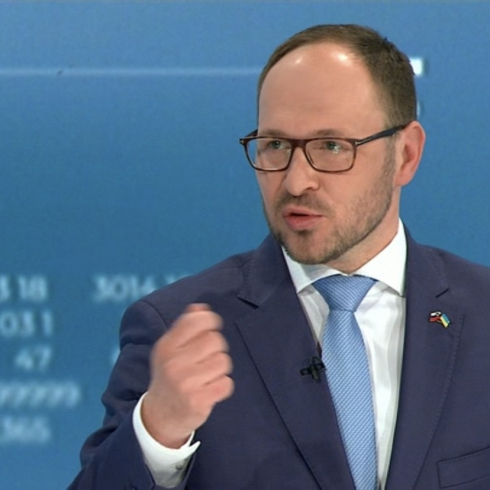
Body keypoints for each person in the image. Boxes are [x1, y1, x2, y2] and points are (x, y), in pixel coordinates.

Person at [70, 24, 490, 490]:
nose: (295, 181)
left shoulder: (483, 314)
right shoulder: (173, 327)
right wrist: (158, 433)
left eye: (331, 146)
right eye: (275, 146)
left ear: (406, 155)